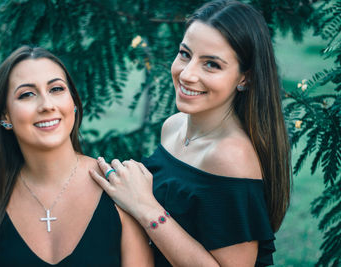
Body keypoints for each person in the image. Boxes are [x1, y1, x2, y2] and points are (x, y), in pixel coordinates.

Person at [90, 0, 291, 266]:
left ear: (245, 78)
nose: (187, 74)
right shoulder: (173, 126)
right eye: (185, 54)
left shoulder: (230, 156)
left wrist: (145, 206)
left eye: (211, 65)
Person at [0, 46, 153, 267]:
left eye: (56, 89)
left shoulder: (119, 189)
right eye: (27, 94)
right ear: (5, 115)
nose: (47, 105)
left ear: (73, 103)